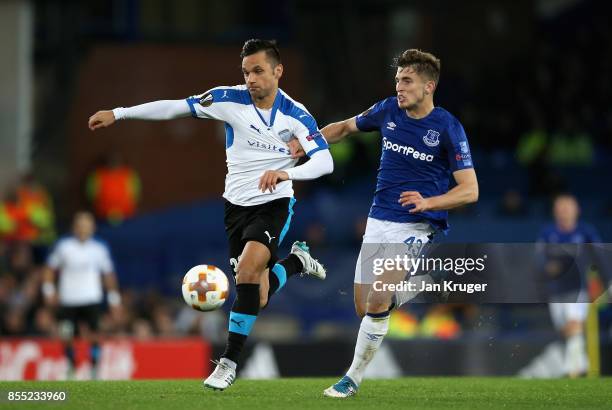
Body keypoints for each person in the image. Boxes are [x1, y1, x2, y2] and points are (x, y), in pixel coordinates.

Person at [87, 39, 333, 390]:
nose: (250, 78)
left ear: (278, 71)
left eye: (258, 71)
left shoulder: (296, 115)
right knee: (257, 293)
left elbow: (325, 161)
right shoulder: (227, 100)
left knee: (248, 271)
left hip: (274, 203)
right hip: (235, 208)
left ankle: (229, 362)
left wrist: (287, 174)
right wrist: (120, 113)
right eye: (246, 72)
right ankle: (295, 263)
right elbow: (176, 107)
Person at [291, 49, 478, 397]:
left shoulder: (448, 128)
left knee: (378, 302)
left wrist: (429, 202)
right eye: (397, 80)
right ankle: (423, 282)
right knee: (365, 309)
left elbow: (470, 190)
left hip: (416, 226)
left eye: (407, 81)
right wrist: (307, 142)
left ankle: (351, 380)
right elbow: (346, 127)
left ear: (428, 86)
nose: (399, 87)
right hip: (379, 220)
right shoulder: (388, 110)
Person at [42, 211, 121, 379]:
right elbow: (50, 268)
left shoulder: (99, 249)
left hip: (91, 297)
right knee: (66, 334)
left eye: (87, 225)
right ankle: (71, 365)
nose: (84, 229)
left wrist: (114, 299)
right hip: (68, 299)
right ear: (74, 227)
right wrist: (48, 290)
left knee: (95, 333)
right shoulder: (63, 246)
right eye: (80, 225)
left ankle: (94, 367)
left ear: (93, 228)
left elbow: (108, 275)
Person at [536, 194, 601, 377]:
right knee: (564, 329)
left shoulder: (586, 231)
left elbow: (599, 256)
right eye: (560, 207)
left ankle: (570, 369)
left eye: (568, 207)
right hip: (556, 290)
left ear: (576, 210)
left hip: (578, 287)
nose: (564, 211)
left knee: (574, 323)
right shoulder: (548, 233)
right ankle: (581, 363)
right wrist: (547, 268)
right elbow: (538, 259)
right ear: (555, 211)